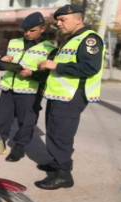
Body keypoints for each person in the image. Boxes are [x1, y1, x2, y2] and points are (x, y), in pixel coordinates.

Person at [35, 4, 105, 190]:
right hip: (59, 95)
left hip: (71, 97)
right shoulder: (72, 39)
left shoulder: (89, 39)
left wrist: (55, 66)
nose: (58, 23)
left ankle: (63, 175)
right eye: (57, 20)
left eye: (62, 20)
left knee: (61, 135)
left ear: (78, 19)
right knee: (54, 132)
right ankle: (58, 163)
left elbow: (90, 67)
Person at [0, 12, 56, 162]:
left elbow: (47, 76)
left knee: (26, 122)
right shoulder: (13, 42)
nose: (28, 34)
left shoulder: (49, 49)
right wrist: (3, 61)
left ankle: (19, 148)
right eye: (25, 30)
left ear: (42, 28)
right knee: (1, 119)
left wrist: (31, 74)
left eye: (32, 30)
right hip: (8, 89)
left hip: (30, 92)